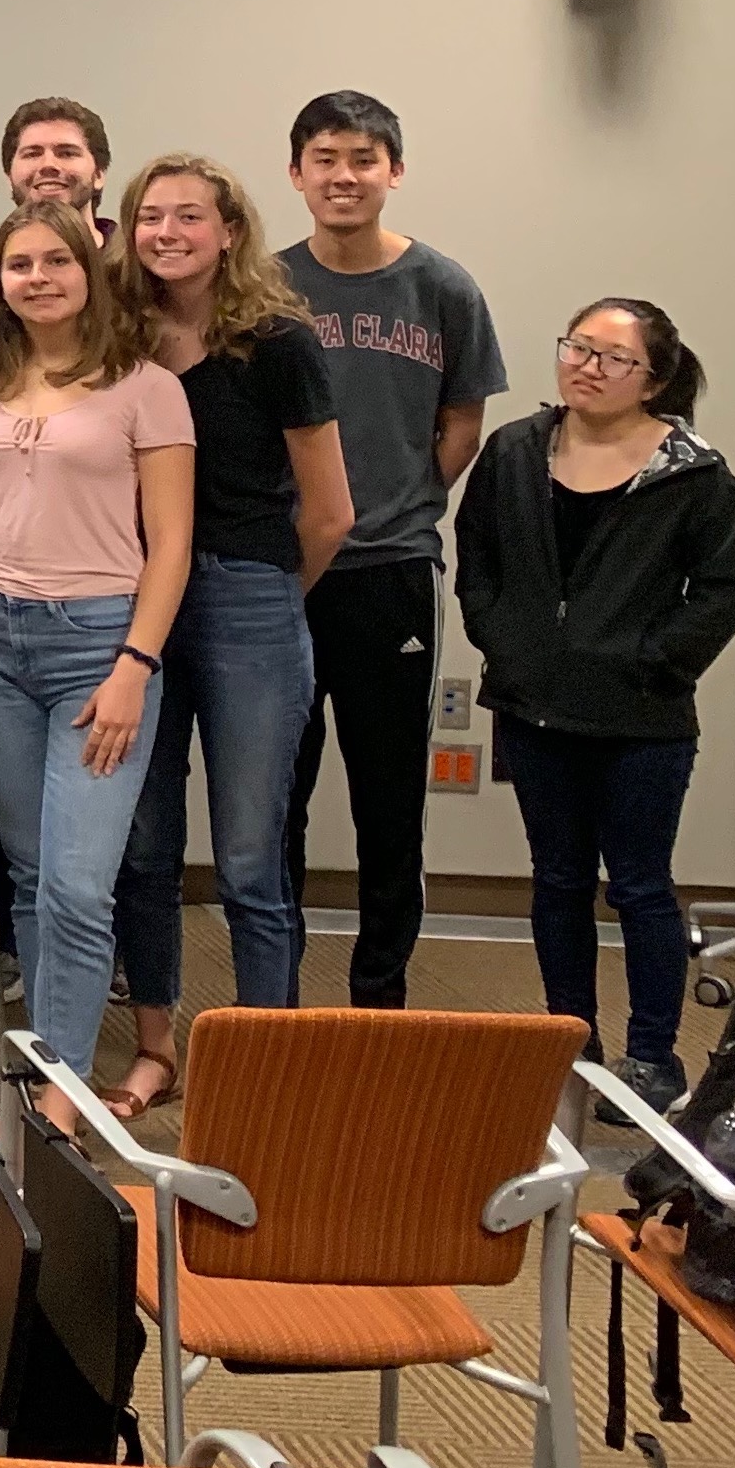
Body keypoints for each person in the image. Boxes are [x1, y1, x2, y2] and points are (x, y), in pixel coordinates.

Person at [0, 202, 195, 1090]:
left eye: (58, 260)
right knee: (27, 874)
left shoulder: (145, 383)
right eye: (21, 264)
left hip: (99, 645)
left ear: (91, 273)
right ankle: (39, 1070)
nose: (40, 277)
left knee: (80, 885)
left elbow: (170, 543)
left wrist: (137, 665)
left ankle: (64, 1089)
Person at [459, 299, 735, 1119]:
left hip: (642, 721)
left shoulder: (692, 470)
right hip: (535, 706)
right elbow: (476, 557)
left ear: (653, 378)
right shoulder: (516, 450)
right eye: (578, 347)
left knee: (640, 886)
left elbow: (727, 590)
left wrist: (651, 662)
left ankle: (653, 1055)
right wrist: (505, 643)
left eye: (611, 357)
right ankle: (571, 1039)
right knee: (556, 880)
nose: (586, 365)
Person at [102, 156, 351, 1112]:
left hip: (249, 599)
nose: (167, 232)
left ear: (230, 230)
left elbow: (329, 513)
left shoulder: (278, 342)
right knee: (147, 847)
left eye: (189, 216)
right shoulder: (114, 339)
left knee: (251, 857)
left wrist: (270, 597)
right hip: (130, 603)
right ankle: (157, 1047)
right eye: (150, 216)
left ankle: (267, 1066)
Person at [280, 89, 504, 1009]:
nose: (344, 175)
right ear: (296, 174)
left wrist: (403, 503)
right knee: (273, 801)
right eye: (325, 157)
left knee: (388, 802)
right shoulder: (263, 286)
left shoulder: (442, 288)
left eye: (364, 158)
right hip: (282, 578)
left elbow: (463, 424)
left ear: (394, 172)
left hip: (391, 575)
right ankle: (269, 994)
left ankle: (380, 996)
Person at [0, 97, 112, 330]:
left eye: (66, 153)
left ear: (99, 174)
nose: (48, 165)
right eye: (32, 154)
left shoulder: (137, 273)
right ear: (9, 176)